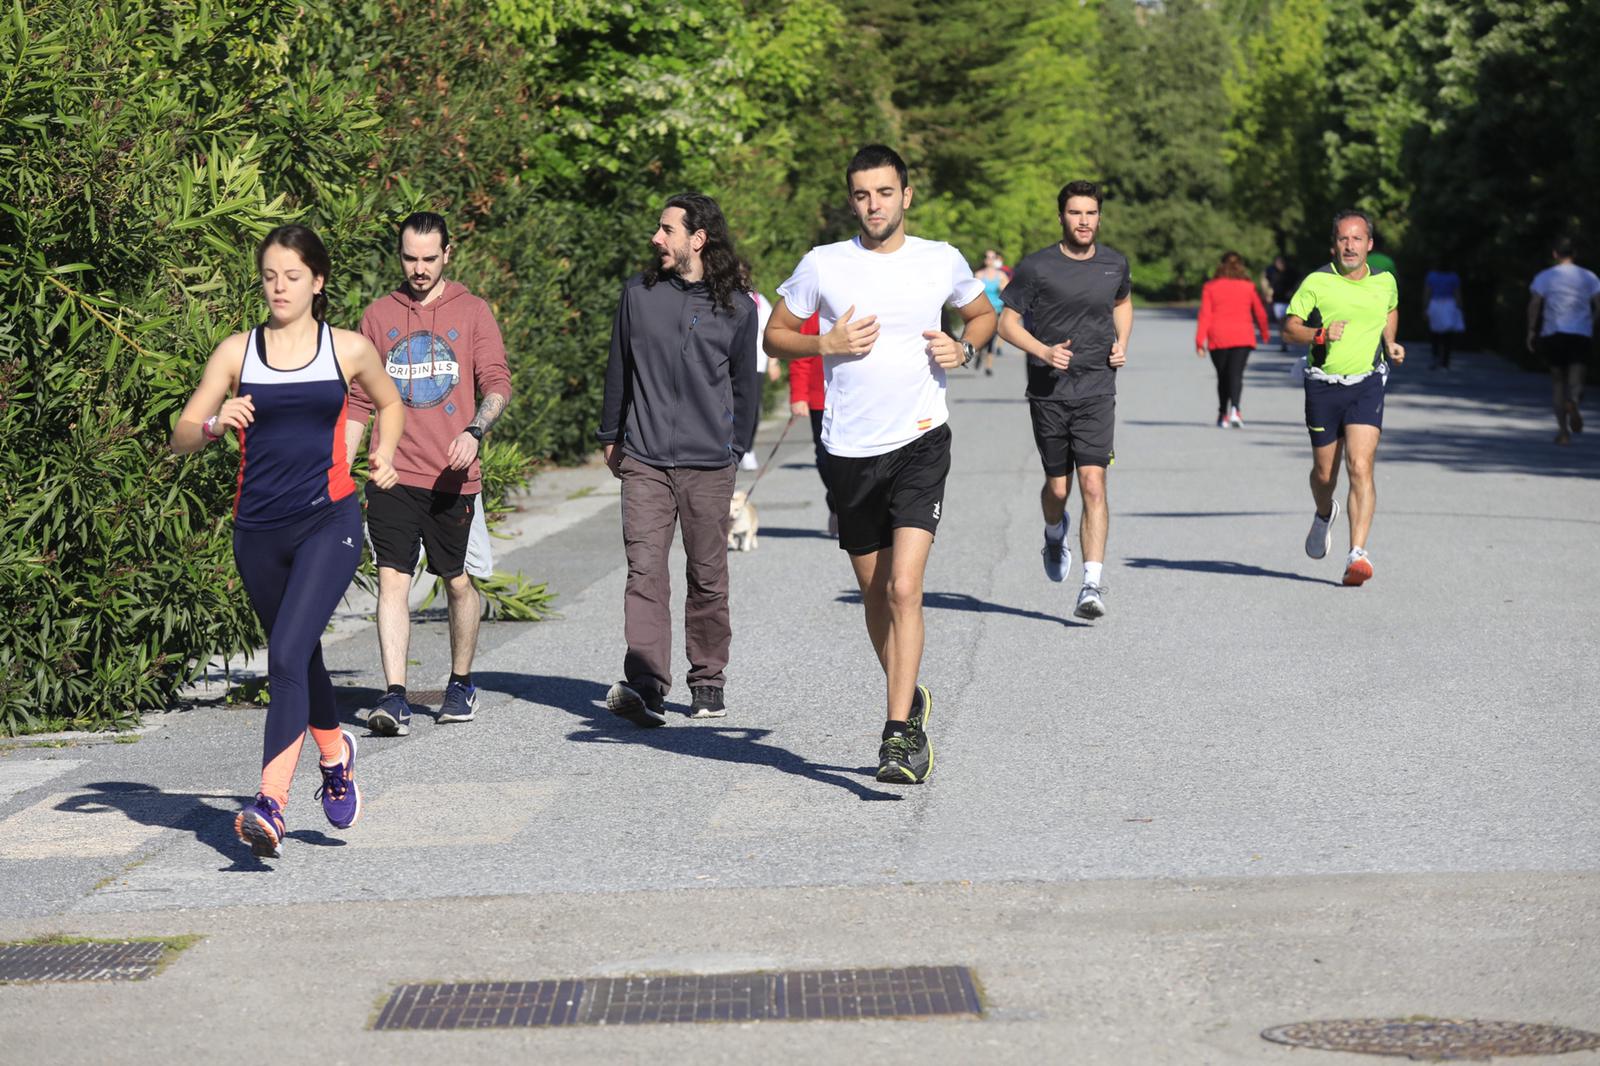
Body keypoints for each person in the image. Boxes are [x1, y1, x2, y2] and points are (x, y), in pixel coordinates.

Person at [171, 224, 405, 859]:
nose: (279, 286)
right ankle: (335, 755)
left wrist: (382, 454)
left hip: (329, 520)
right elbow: (181, 434)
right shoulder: (236, 353)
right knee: (298, 657)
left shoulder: (347, 349)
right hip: (257, 532)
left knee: (287, 652)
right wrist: (217, 424)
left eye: (292, 276)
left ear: (317, 281)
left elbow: (390, 404)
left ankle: (269, 800)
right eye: (270, 275)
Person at [765, 144, 995, 785]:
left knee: (904, 588)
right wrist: (824, 342)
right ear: (852, 201)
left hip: (922, 440)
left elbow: (982, 315)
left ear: (906, 196)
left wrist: (963, 346)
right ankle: (911, 695)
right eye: (863, 195)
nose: (874, 205)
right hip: (848, 450)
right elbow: (774, 334)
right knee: (874, 593)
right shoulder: (824, 265)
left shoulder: (939, 259)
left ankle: (898, 735)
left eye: (885, 193)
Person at [346, 212, 513, 737]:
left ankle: (461, 681)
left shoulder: (472, 311)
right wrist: (340, 472)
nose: (418, 269)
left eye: (428, 258)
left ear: (448, 253)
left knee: (457, 582)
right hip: (393, 475)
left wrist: (475, 432)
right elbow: (357, 399)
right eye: (409, 258)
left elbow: (497, 383)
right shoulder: (378, 316)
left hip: (452, 477)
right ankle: (394, 695)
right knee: (391, 583)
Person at [598, 192, 761, 725]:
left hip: (709, 463)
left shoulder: (737, 306)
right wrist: (610, 434)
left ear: (698, 238)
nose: (656, 238)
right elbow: (618, 367)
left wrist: (734, 449)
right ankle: (646, 683)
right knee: (644, 571)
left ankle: (708, 679)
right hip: (643, 456)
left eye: (667, 229)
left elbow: (745, 386)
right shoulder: (638, 295)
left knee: (708, 574)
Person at [997, 180, 1132, 621]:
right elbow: (1006, 324)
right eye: (1075, 213)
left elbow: (1122, 302)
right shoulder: (1037, 267)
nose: (1084, 221)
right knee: (1059, 487)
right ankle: (1055, 532)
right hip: (1049, 391)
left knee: (1094, 483)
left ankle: (1091, 584)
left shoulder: (1114, 263)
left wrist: (1122, 341)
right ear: (1062, 217)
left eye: (1091, 213)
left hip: (1097, 388)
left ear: (1099, 216)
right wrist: (1043, 351)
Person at [1282, 209, 1405, 587]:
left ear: (1370, 244)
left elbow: (1390, 309)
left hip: (1367, 383)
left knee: (1360, 465)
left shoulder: (1384, 281)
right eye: (1343, 239)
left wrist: (1390, 343)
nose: (1349, 246)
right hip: (1322, 384)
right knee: (1325, 474)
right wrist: (1319, 335)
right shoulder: (1317, 282)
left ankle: (1358, 553)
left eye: (1357, 239)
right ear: (1333, 244)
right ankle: (1323, 514)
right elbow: (1289, 329)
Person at [1527, 237, 1600, 445]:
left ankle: (1563, 433)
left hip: (1553, 333)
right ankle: (1574, 402)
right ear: (1574, 254)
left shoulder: (1545, 277)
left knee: (1558, 382)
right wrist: (1591, 323)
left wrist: (1532, 331)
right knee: (1577, 381)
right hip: (1580, 333)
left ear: (1555, 254)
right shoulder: (1589, 277)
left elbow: (1534, 304)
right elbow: (1599, 305)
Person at [1196, 251, 1271, 427]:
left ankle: (1223, 413)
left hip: (1218, 336)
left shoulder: (1211, 287)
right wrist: (1264, 333)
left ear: (1220, 265)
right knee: (1236, 374)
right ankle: (1236, 410)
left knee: (1223, 376)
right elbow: (1259, 312)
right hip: (1242, 336)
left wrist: (1200, 341)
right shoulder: (1248, 286)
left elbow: (1205, 315)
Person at [786, 313, 836, 537]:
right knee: (825, 458)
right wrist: (799, 395)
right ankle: (836, 504)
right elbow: (801, 356)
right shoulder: (816, 313)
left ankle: (855, 512)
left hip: (859, 398)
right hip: (820, 399)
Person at [974, 249, 1011, 375]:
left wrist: (1002, 289)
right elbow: (972, 294)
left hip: (997, 310)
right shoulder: (978, 275)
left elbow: (1009, 293)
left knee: (992, 339)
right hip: (982, 311)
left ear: (995, 259)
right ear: (984, 260)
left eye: (992, 257)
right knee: (982, 337)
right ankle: (979, 353)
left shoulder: (1001, 276)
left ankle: (988, 366)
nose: (990, 260)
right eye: (988, 257)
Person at [1423, 264, 1466, 370]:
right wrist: (1460, 308)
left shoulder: (1432, 276)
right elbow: (1457, 293)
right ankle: (1445, 361)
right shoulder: (1453, 276)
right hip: (1449, 305)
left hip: (1435, 304)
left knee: (1434, 333)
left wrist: (1425, 307)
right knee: (1448, 335)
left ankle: (1435, 357)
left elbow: (1427, 292)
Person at [1260, 254, 1300, 351]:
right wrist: (1267, 291)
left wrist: (1295, 291)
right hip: (1277, 300)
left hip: (1290, 300)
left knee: (1286, 321)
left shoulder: (1291, 271)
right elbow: (1263, 278)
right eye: (1277, 262)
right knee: (1281, 322)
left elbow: (1300, 281)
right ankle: (1284, 341)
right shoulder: (1271, 270)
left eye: (1281, 262)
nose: (1279, 265)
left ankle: (1286, 340)